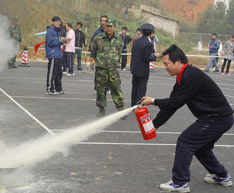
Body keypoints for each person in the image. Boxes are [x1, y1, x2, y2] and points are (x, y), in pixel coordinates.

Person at [141, 44, 233, 193]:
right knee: (201, 148)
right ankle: (222, 176)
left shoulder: (191, 75)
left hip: (217, 118)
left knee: (185, 141)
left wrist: (153, 101)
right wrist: (154, 125)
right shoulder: (181, 77)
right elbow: (171, 105)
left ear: (178, 61)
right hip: (216, 118)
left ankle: (180, 182)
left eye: (166, 64)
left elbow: (176, 102)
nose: (164, 67)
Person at [90, 18, 124, 117]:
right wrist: (99, 62)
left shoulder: (118, 40)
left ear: (114, 27)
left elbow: (119, 52)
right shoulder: (98, 38)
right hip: (101, 70)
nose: (108, 28)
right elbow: (93, 51)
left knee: (116, 89)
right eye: (107, 26)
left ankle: (120, 109)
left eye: (110, 26)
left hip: (113, 69)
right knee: (100, 90)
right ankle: (101, 109)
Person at [130, 23, 162, 106]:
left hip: (135, 68)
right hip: (143, 70)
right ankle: (139, 105)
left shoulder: (136, 41)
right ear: (151, 33)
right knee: (141, 88)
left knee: (135, 88)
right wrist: (156, 56)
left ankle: (133, 104)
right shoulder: (148, 44)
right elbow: (147, 57)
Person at [45, 16, 66, 95]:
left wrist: (62, 40)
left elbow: (57, 41)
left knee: (58, 72)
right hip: (52, 54)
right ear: (52, 22)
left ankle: (58, 88)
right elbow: (50, 43)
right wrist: (60, 41)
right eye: (56, 21)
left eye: (59, 21)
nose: (58, 23)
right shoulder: (50, 31)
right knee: (52, 72)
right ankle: (49, 88)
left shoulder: (58, 30)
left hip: (57, 54)